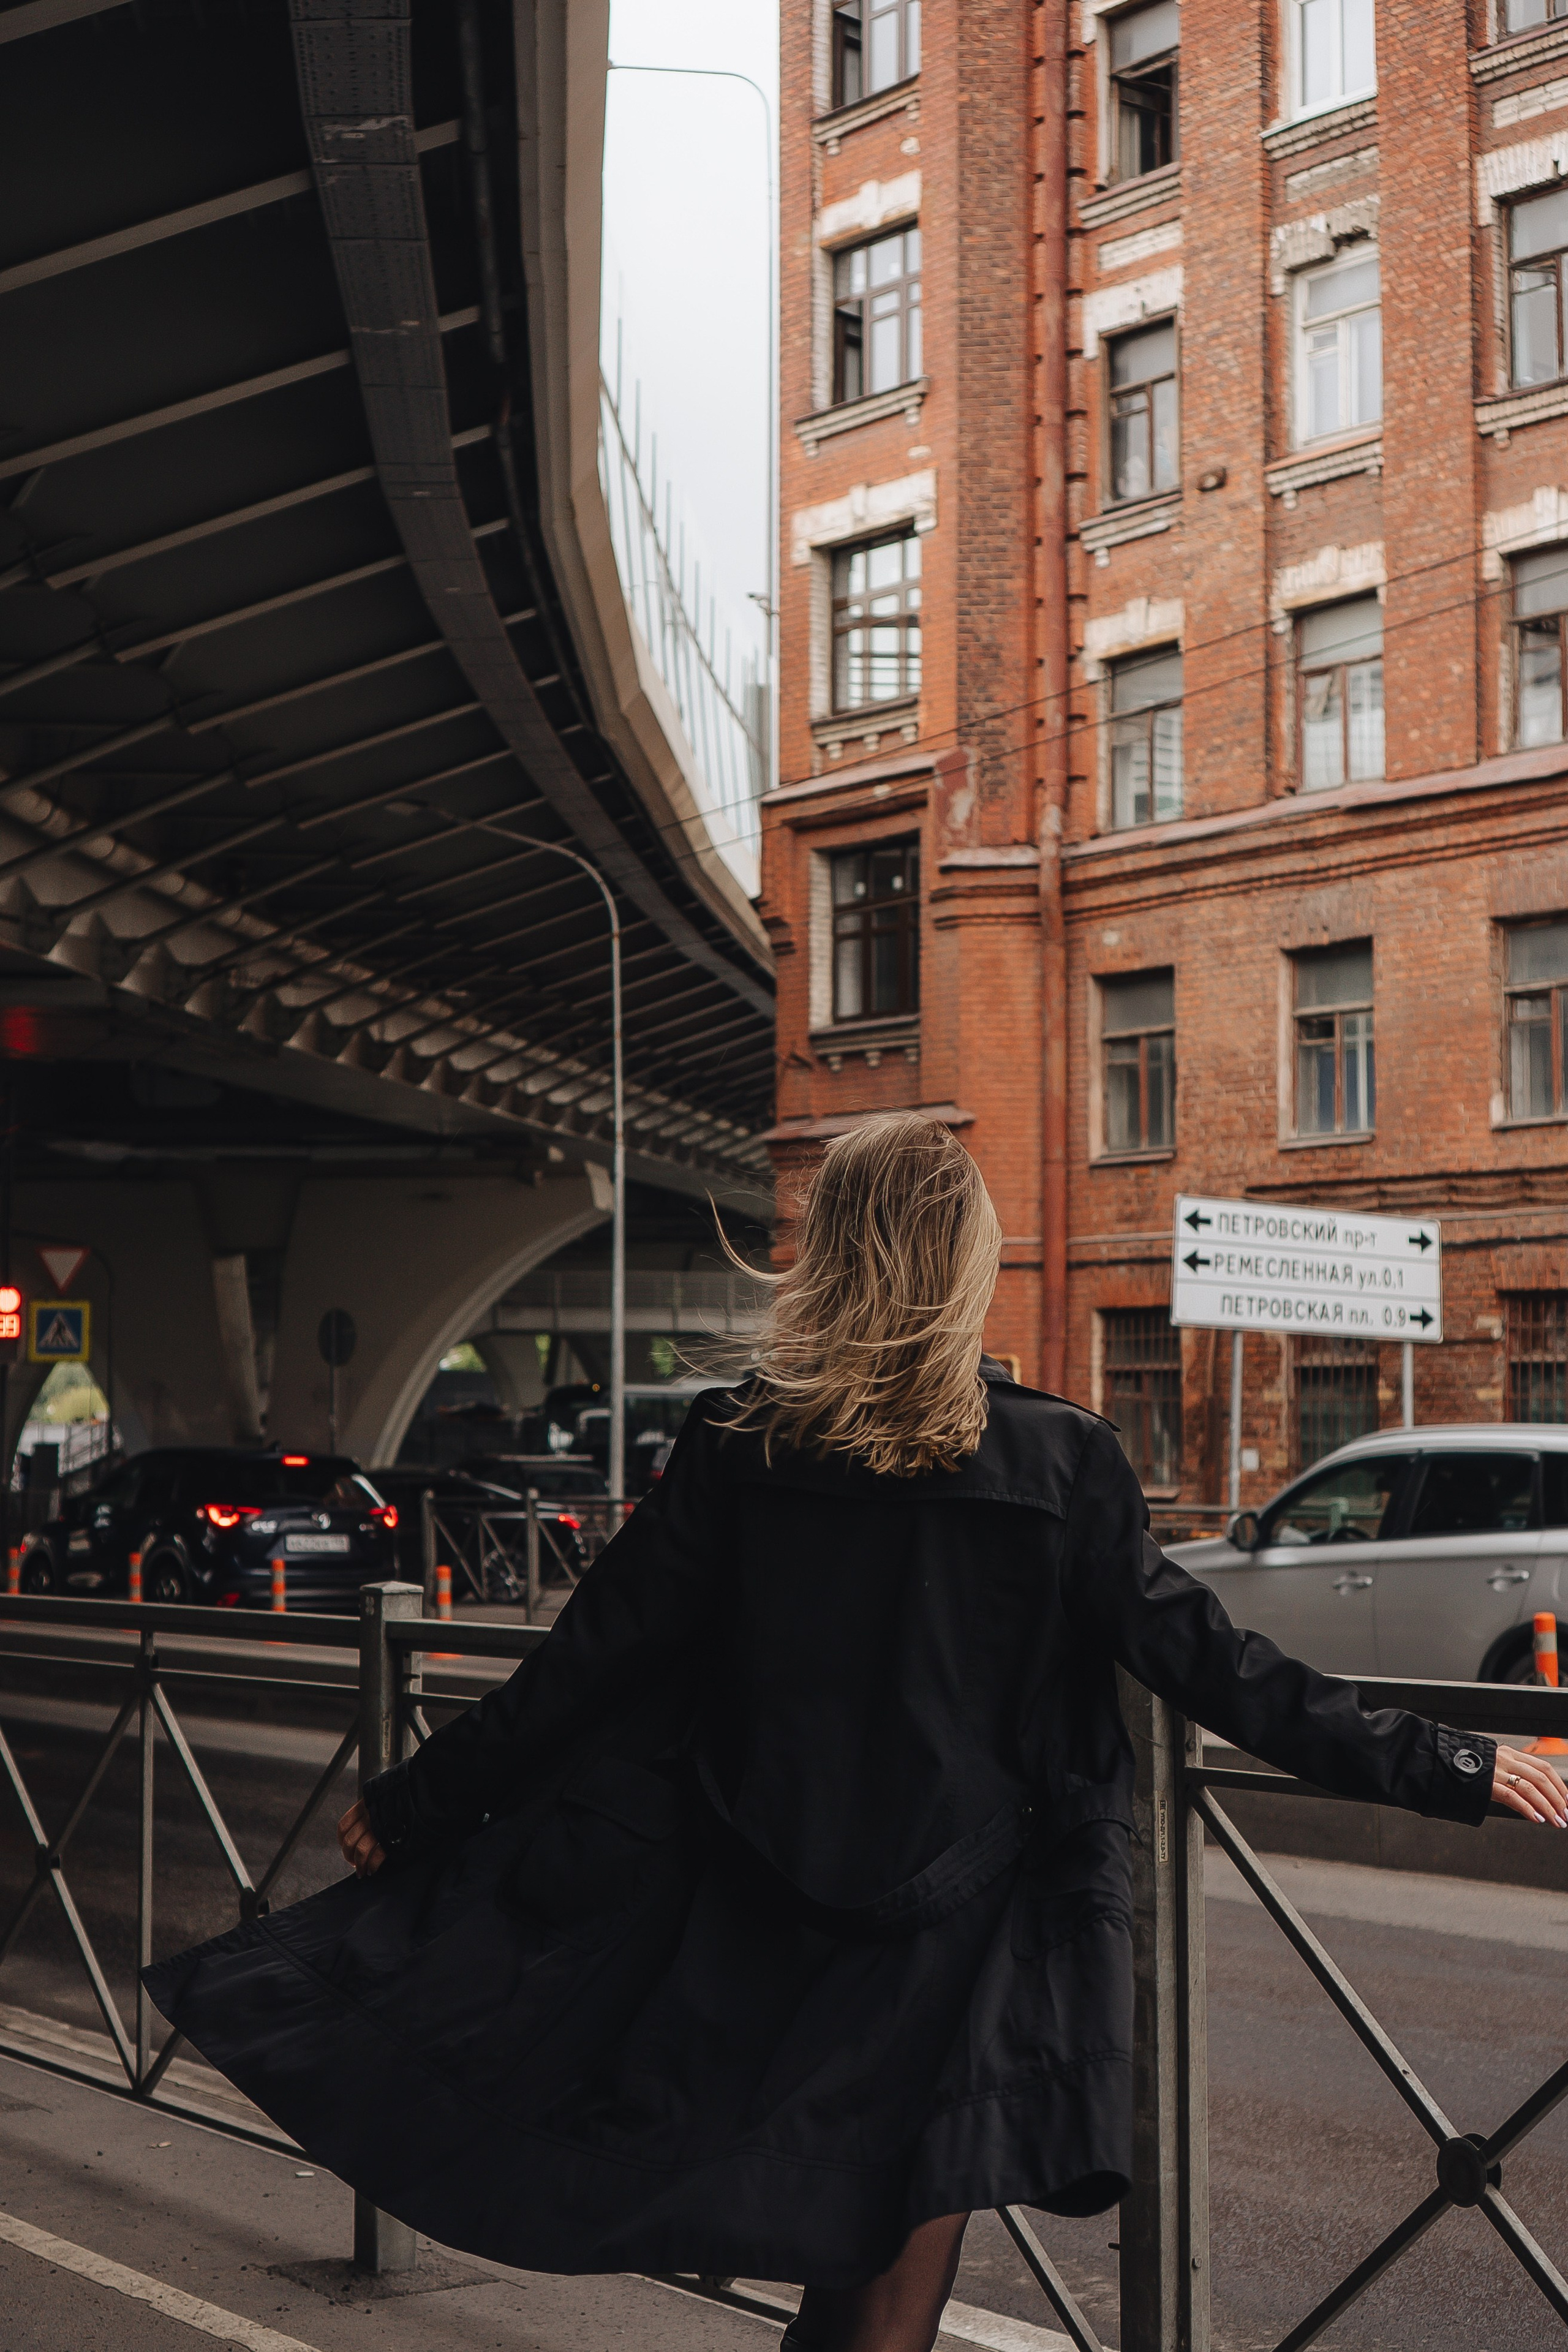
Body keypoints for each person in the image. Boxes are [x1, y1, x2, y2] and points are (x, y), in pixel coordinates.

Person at [145, 1114, 1566, 2352]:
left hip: (752, 1919)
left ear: (829, 1258)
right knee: (884, 2304)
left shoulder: (736, 1445)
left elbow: (584, 1666)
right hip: (950, 1953)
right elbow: (1213, 1665)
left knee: (842, 2293)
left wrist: (418, 1805)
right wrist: (1449, 1764)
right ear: (964, 1267)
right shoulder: (1055, 1458)